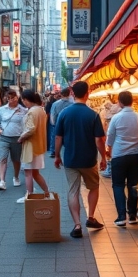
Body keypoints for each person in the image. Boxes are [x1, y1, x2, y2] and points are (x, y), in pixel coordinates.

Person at [54, 81, 107, 238]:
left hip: (70, 159)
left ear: (72, 93)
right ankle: (90, 217)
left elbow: (58, 137)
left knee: (73, 191)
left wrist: (57, 156)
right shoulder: (93, 115)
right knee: (94, 187)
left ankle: (77, 225)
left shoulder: (64, 113)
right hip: (89, 160)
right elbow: (99, 140)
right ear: (87, 93)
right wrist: (103, 157)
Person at [106, 91, 138, 227]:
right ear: (132, 102)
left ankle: (121, 217)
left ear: (119, 102)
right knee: (133, 185)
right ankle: (132, 215)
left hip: (119, 156)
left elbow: (110, 137)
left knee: (118, 185)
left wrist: (108, 149)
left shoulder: (116, 118)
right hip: (135, 156)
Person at [17, 89, 51, 204]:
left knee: (28, 172)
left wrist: (21, 137)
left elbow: (30, 129)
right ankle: (47, 192)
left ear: (26, 100)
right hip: (39, 145)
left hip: (30, 145)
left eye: (23, 100)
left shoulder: (32, 112)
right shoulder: (41, 110)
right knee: (35, 172)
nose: (23, 102)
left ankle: (29, 195)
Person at [0, 88, 27, 190]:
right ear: (6, 99)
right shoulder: (1, 110)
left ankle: (16, 177)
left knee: (16, 160)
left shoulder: (23, 110)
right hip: (4, 138)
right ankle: (2, 181)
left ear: (18, 97)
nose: (12, 100)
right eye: (9, 98)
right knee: (2, 159)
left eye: (14, 97)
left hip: (17, 138)